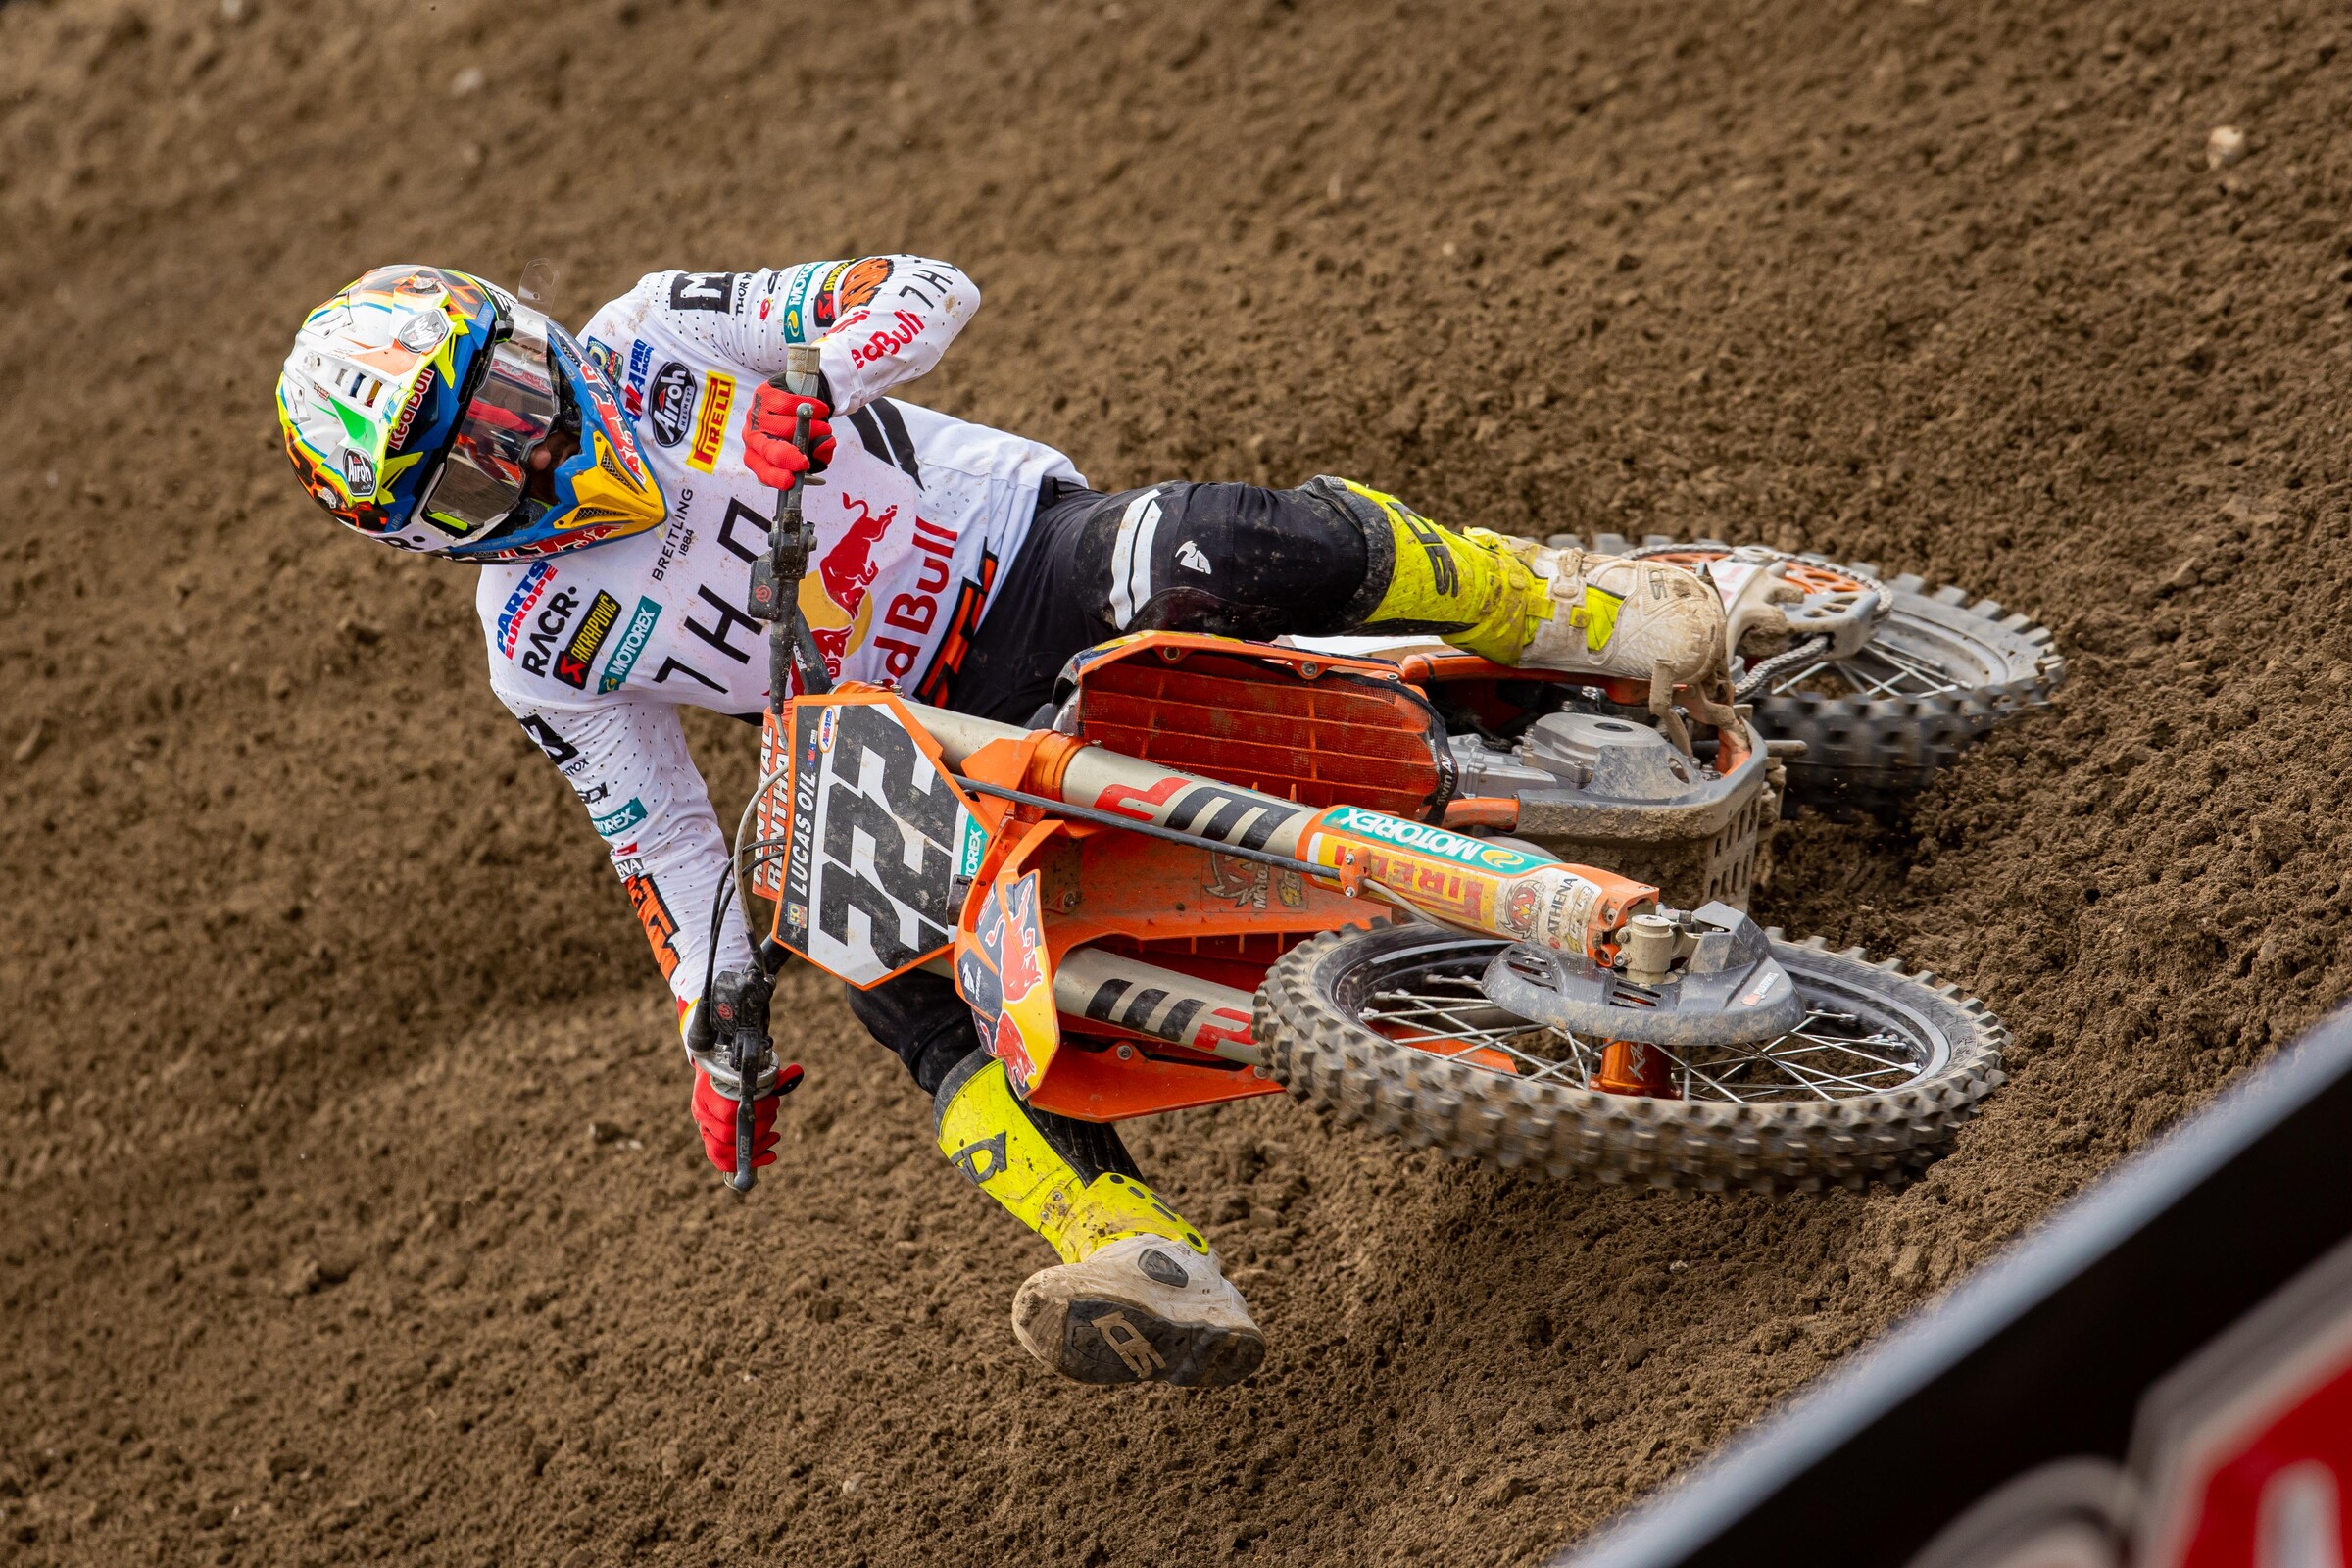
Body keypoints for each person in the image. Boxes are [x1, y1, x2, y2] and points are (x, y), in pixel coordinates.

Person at [274, 259, 1727, 1388]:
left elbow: (919, 287)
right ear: (422, 533)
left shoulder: (659, 333)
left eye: (512, 397)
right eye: (473, 467)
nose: (522, 449)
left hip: (1021, 559)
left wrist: (824, 375)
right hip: (899, 743)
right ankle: (1131, 1252)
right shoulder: (540, 643)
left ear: (529, 331)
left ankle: (1583, 612)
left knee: (1254, 537)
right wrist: (714, 1022)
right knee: (871, 960)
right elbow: (660, 844)